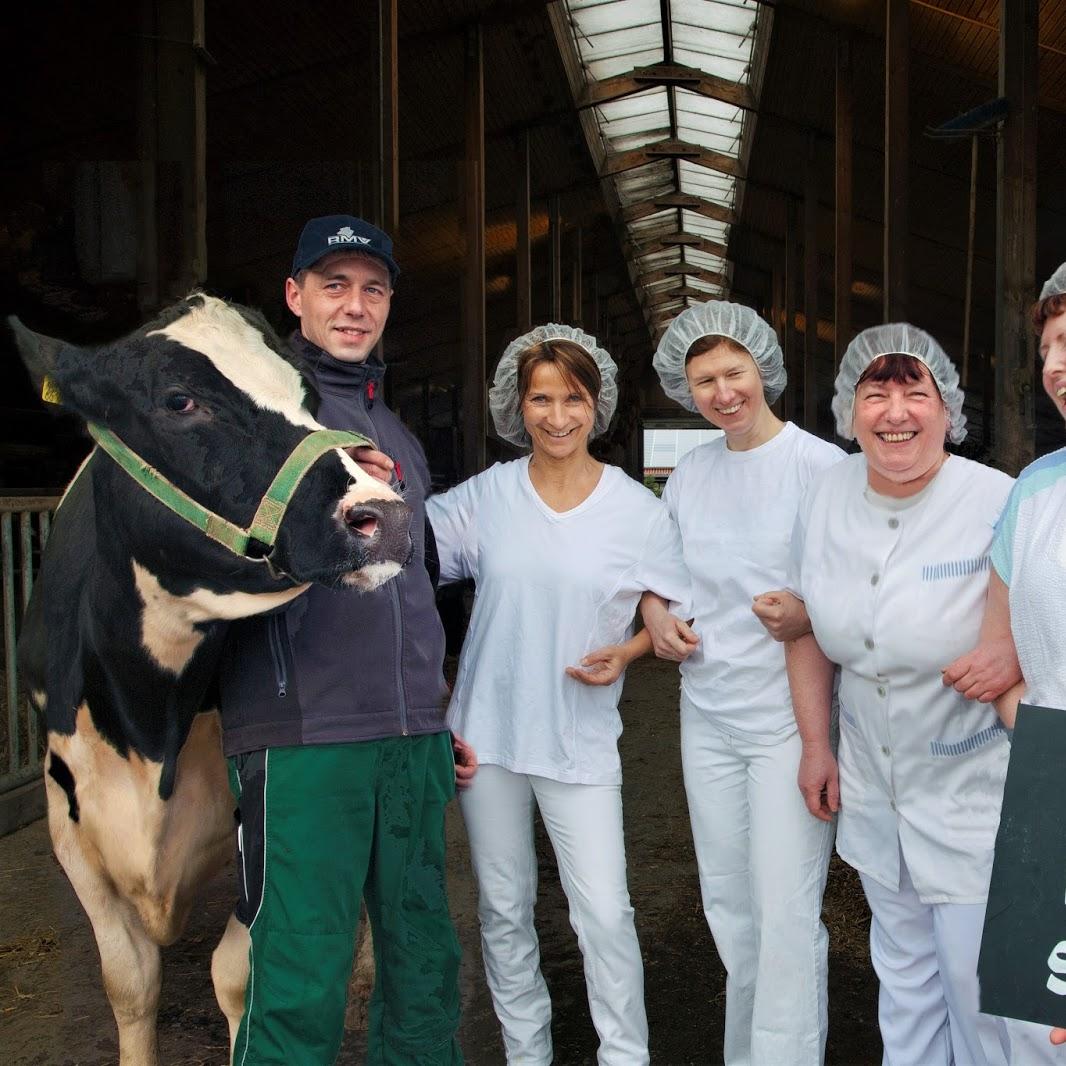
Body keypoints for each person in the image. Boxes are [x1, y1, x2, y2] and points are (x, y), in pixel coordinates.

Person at [216, 215, 473, 1065]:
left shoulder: (394, 431)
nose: (355, 306)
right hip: (305, 737)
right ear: (294, 297)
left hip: (408, 736)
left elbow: (415, 586)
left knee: (423, 959)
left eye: (372, 289)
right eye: (334, 286)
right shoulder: (256, 414)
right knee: (300, 969)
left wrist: (432, 708)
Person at [426, 324, 691, 1066]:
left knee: (604, 912)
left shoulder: (636, 509)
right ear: (520, 406)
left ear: (595, 404)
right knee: (503, 910)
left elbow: (671, 605)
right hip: (486, 736)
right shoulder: (488, 496)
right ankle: (526, 1052)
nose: (557, 416)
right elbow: (405, 556)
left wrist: (632, 650)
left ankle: (624, 1055)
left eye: (572, 398)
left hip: (576, 736)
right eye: (540, 398)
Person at [783, 323, 1019, 1066]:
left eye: (915, 391)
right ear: (847, 411)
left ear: (948, 407)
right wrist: (817, 745)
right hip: (876, 787)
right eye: (875, 391)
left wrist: (1011, 648)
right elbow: (808, 626)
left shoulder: (1001, 500)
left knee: (983, 995)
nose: (896, 411)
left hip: (975, 792)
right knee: (906, 985)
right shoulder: (824, 495)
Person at [641, 300, 845, 1066]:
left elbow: (858, 586)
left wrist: (807, 610)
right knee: (728, 902)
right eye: (704, 382)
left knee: (787, 908)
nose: (723, 393)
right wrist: (658, 615)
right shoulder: (691, 473)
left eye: (734, 373)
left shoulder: (820, 467)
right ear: (685, 389)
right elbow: (658, 573)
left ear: (764, 369)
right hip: (709, 712)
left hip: (793, 718)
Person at [987, 261, 1066, 1059]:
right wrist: (1046, 741)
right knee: (1032, 1028)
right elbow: (995, 656)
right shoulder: (1035, 489)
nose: (1055, 365)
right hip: (1049, 779)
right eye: (1048, 347)